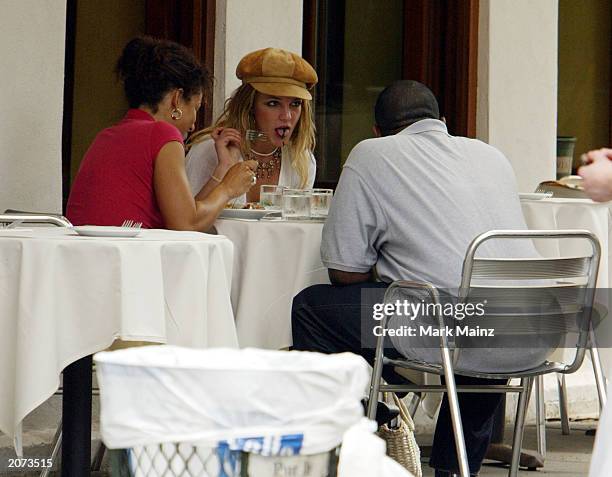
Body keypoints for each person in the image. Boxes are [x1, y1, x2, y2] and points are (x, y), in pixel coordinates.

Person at [291, 80, 536, 477]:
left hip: (454, 331)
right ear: (442, 122)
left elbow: (345, 271)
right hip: (534, 329)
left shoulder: (371, 154)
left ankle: (365, 425)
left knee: (311, 307)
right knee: (483, 316)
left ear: (376, 131)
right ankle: (454, 467)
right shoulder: (490, 155)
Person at [67, 36, 257, 231]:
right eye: (195, 107)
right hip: (129, 255)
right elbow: (186, 225)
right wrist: (228, 189)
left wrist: (223, 168)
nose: (193, 124)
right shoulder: (162, 134)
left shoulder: (108, 134)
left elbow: (183, 213)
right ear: (176, 99)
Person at [185, 47, 317, 203]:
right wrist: (224, 168)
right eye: (273, 103)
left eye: (295, 104)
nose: (287, 115)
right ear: (249, 106)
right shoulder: (209, 150)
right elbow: (185, 221)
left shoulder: (301, 159)